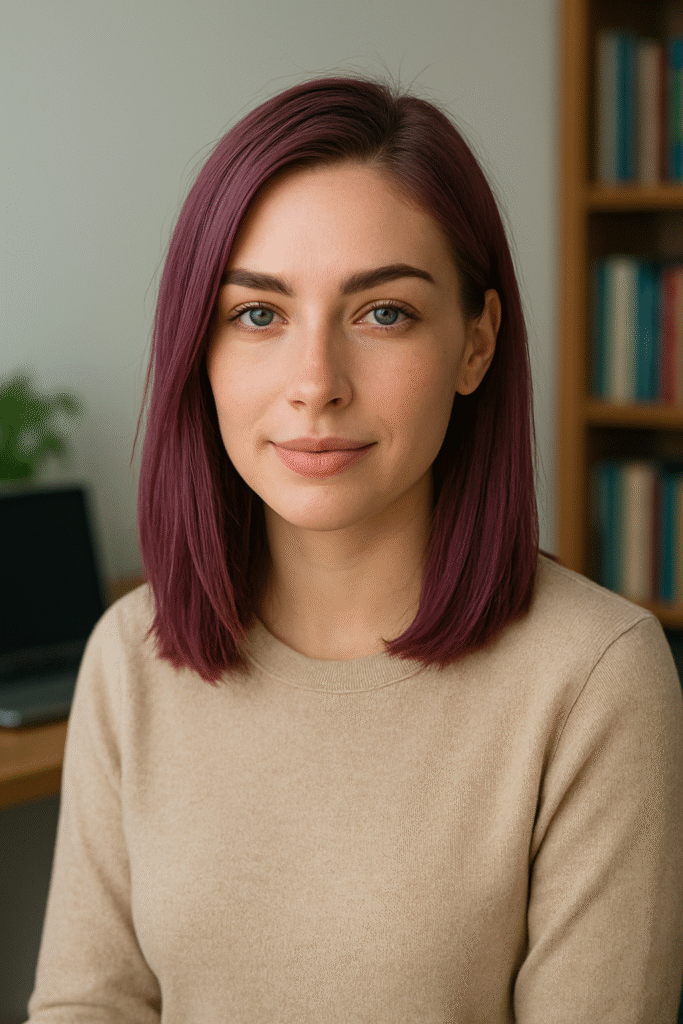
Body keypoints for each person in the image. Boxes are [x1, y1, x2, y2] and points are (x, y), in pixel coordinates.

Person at [25, 73, 683, 1023]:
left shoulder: (596, 678)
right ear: (196, 349)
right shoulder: (129, 655)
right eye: (258, 314)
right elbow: (88, 1005)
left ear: (475, 344)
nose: (314, 383)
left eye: (383, 313)